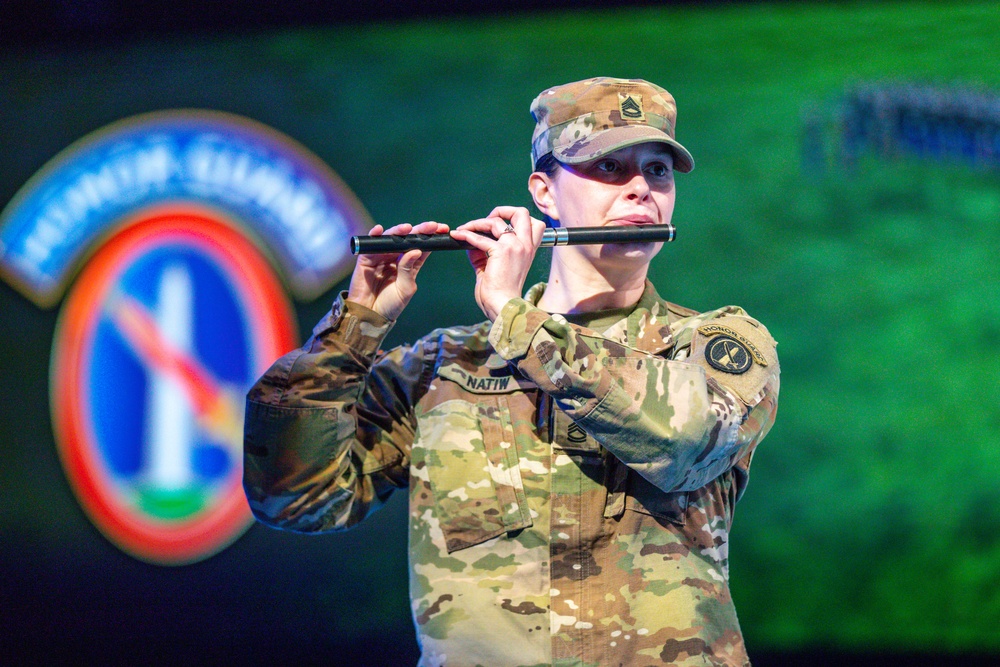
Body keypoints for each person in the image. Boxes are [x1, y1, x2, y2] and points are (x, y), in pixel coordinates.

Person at [243, 77, 780, 667]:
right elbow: (294, 499)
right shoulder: (439, 368)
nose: (640, 189)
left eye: (657, 170)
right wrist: (359, 324)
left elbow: (683, 440)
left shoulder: (717, 345)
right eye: (608, 167)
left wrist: (516, 318)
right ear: (543, 193)